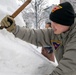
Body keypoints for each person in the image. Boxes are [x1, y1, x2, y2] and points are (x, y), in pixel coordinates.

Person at [1, 2, 76, 75]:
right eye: (52, 21)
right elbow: (35, 35)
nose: (52, 25)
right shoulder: (57, 33)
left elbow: (68, 68)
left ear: (67, 22)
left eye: (56, 23)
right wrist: (14, 29)